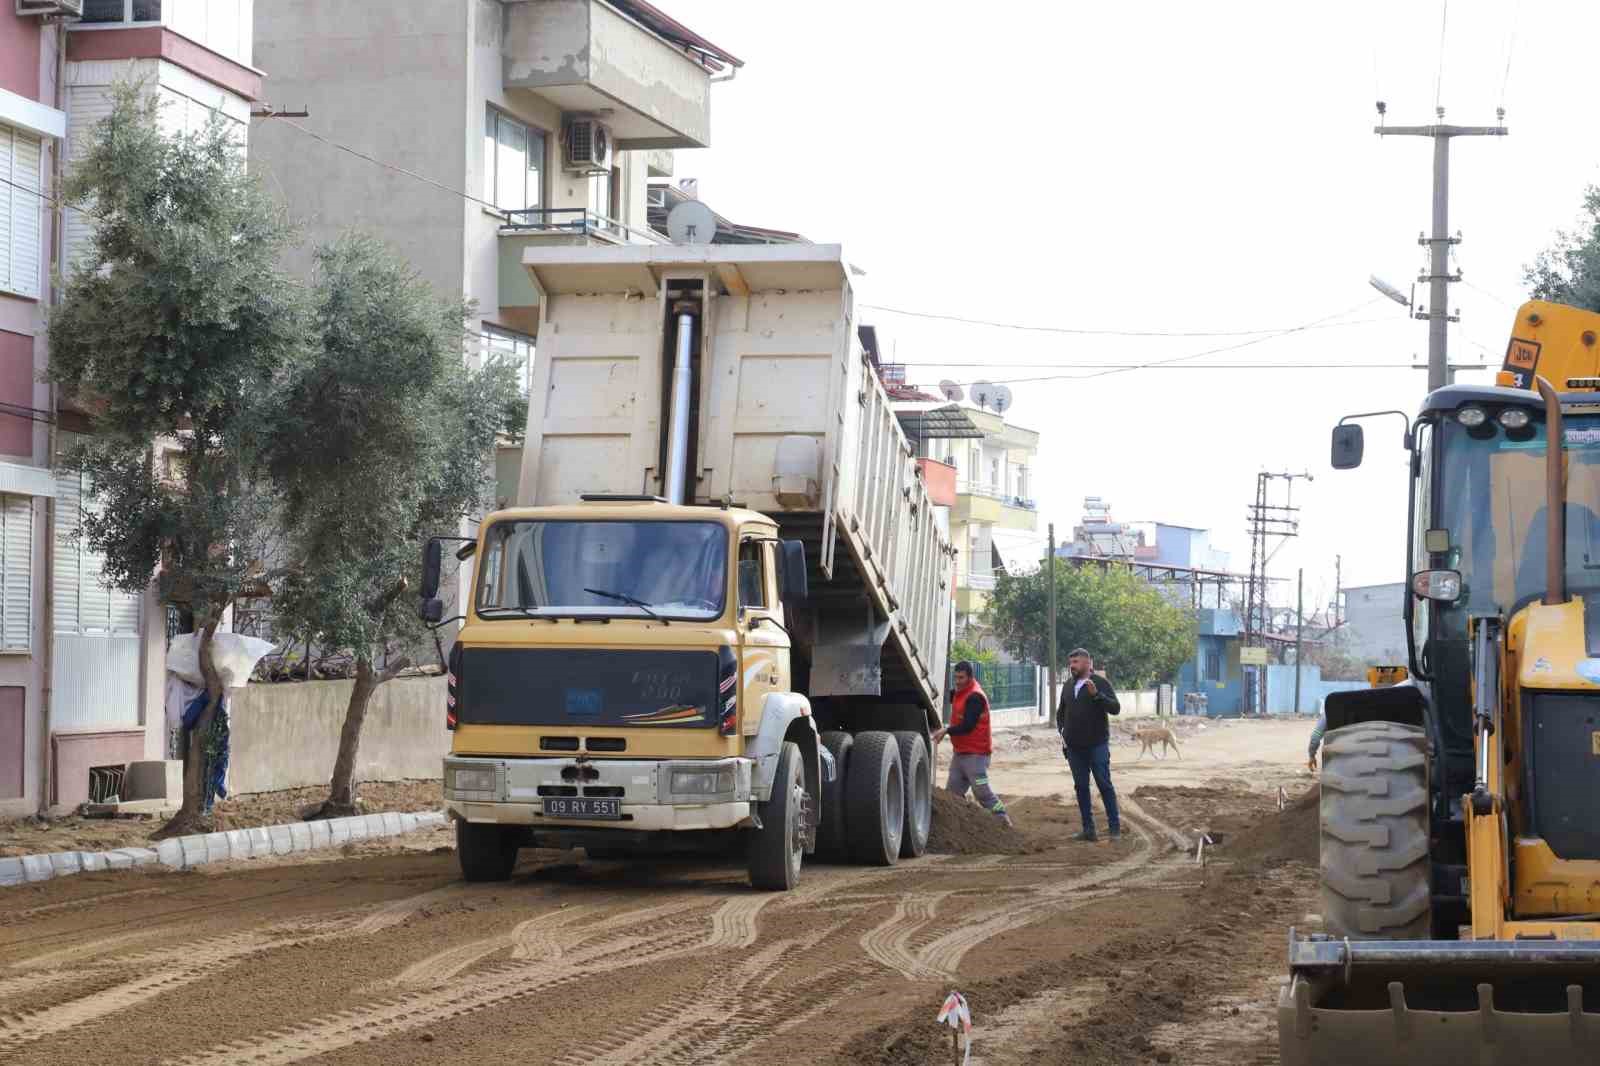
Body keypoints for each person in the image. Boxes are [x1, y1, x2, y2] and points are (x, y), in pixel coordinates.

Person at [932, 660, 1013, 828]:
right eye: (956, 677)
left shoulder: (975, 697)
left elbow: (968, 726)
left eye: (961, 677)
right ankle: (958, 828)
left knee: (982, 792)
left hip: (977, 755)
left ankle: (1002, 817)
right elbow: (945, 696)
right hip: (960, 753)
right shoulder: (960, 692)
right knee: (952, 795)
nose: (958, 681)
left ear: (970, 677)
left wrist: (946, 731)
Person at [1056, 648, 1121, 842]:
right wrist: (1063, 733)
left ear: (1087, 663)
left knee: (1104, 785)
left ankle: (1114, 829)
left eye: (1076, 662)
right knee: (1081, 787)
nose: (1072, 666)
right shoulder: (1067, 686)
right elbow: (1061, 713)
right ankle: (1088, 830)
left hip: (1097, 745)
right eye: (1071, 662)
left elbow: (1115, 708)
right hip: (1075, 748)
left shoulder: (1100, 683)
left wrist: (1097, 695)